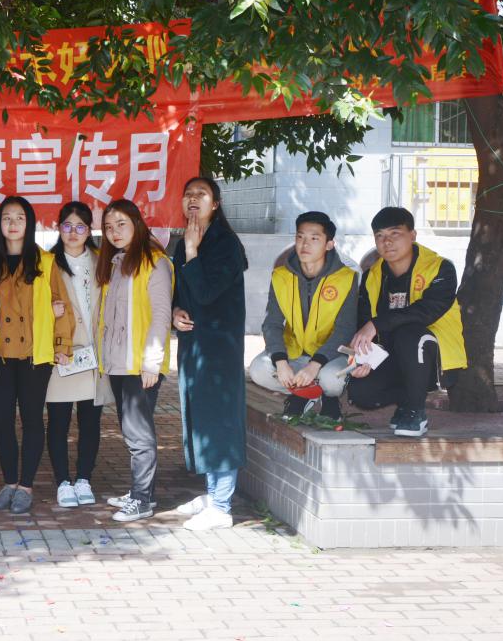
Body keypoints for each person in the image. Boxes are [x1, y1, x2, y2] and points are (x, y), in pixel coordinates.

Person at [0, 196, 74, 514]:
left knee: (32, 420)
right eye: (7, 217)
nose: (13, 223)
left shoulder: (45, 262)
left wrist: (62, 346)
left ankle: (25, 486)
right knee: (1, 420)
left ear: (29, 223)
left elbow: (62, 307)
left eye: (19, 217)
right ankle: (9, 482)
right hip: (2, 355)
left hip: (36, 356)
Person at [348, 206, 467, 438]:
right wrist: (363, 358)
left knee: (409, 333)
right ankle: (406, 401)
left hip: (433, 356)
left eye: (395, 233)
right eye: (380, 236)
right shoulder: (372, 275)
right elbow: (363, 321)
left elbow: (426, 311)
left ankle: (415, 410)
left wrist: (376, 324)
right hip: (391, 354)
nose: (387, 242)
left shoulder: (440, 268)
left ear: (412, 235)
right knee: (361, 392)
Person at [172, 177, 248, 532]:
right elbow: (183, 292)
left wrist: (191, 253)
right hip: (194, 345)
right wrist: (175, 312)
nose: (193, 199)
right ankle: (212, 493)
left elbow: (206, 293)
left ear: (215, 204)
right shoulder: (185, 239)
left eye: (201, 194)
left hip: (219, 348)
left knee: (219, 421)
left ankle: (221, 506)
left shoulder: (225, 244)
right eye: (188, 194)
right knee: (200, 419)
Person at [95, 199, 173, 522]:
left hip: (140, 364)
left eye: (121, 224)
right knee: (131, 430)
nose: (114, 232)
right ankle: (143, 493)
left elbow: (161, 315)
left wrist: (152, 362)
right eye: (108, 227)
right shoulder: (115, 262)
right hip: (118, 362)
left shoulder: (155, 262)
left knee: (139, 433)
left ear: (137, 225)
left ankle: (141, 500)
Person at [248, 211, 358, 419]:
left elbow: (345, 330)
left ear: (329, 244)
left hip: (331, 356)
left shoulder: (346, 278)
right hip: (295, 352)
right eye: (300, 237)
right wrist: (281, 361)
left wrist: (315, 365)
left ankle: (326, 396)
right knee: (258, 370)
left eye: (314, 238)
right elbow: (272, 324)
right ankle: (305, 394)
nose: (305, 244)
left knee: (332, 381)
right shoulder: (281, 276)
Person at [45, 201, 111, 508]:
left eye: (80, 226)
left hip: (94, 355)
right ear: (58, 228)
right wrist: (49, 312)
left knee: (90, 421)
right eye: (67, 226)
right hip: (62, 353)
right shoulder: (47, 264)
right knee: (58, 421)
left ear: (89, 230)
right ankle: (62, 481)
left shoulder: (102, 262)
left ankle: (84, 478)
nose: (73, 232)